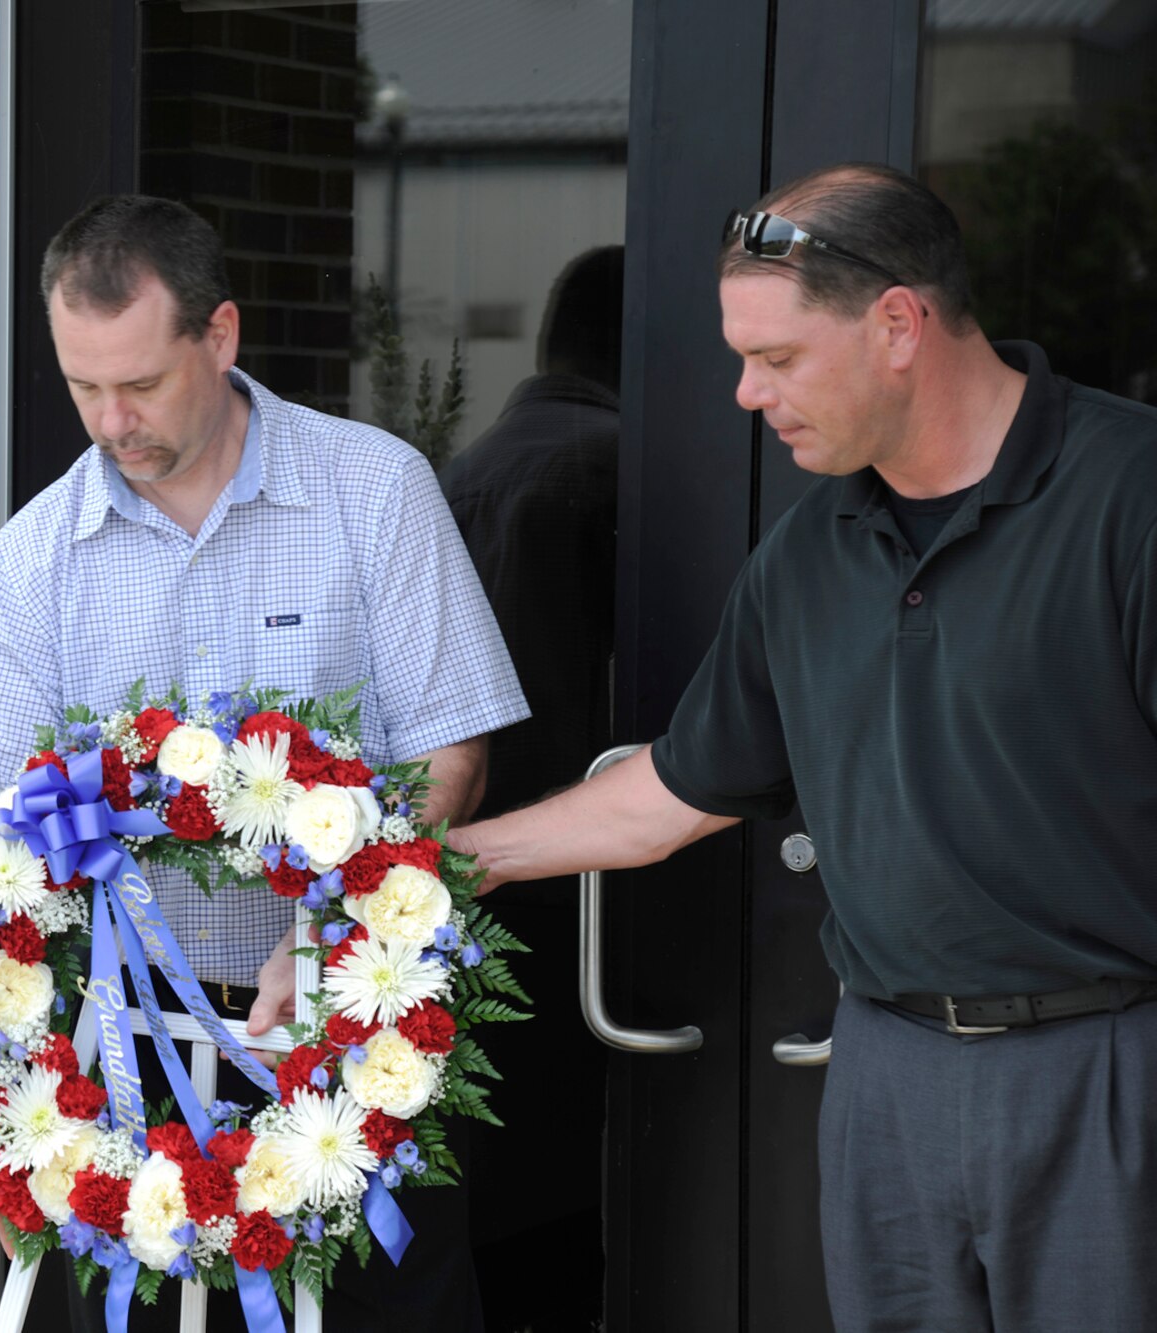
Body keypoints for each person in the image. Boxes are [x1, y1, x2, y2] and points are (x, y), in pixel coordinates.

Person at [447, 161, 1157, 1332]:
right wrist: (423, 864)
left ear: (894, 325)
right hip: (883, 1075)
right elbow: (672, 791)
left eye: (773, 358)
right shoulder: (808, 548)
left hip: (1104, 1074)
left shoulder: (1128, 498)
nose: (742, 393)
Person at [0, 193, 529, 1330]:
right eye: (82, 387)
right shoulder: (30, 559)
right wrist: (2, 1074)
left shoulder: (374, 491)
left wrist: (332, 933)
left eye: (140, 383)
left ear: (216, 336)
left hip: (350, 1034)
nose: (111, 420)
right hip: (125, 1066)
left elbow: (446, 749)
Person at [437, 244, 624, 1330]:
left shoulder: (462, 466)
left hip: (485, 875)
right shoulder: (613, 463)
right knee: (568, 1203)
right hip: (586, 881)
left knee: (498, 1196)